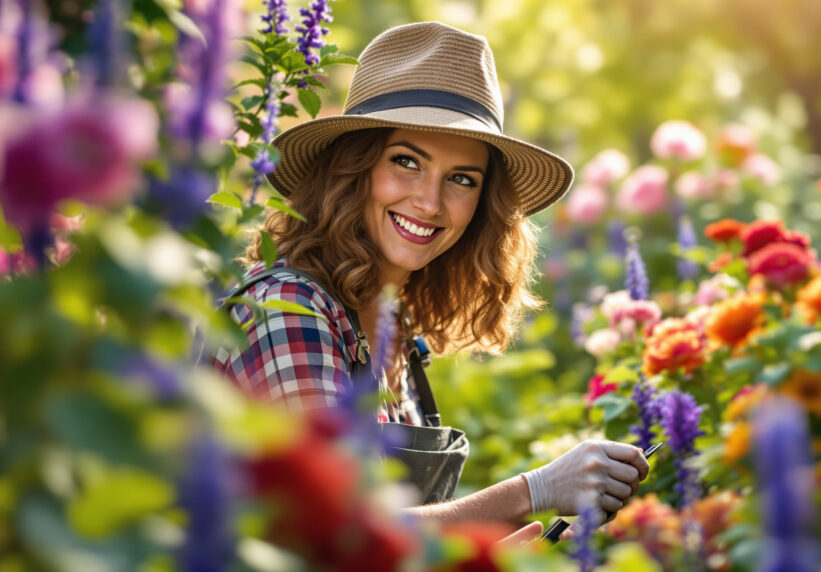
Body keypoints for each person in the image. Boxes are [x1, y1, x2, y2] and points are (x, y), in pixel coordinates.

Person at [213, 21, 648, 540]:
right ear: (352, 169)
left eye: (462, 179)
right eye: (407, 162)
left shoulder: (395, 334)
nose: (431, 202)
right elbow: (330, 529)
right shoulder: (288, 308)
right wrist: (536, 490)